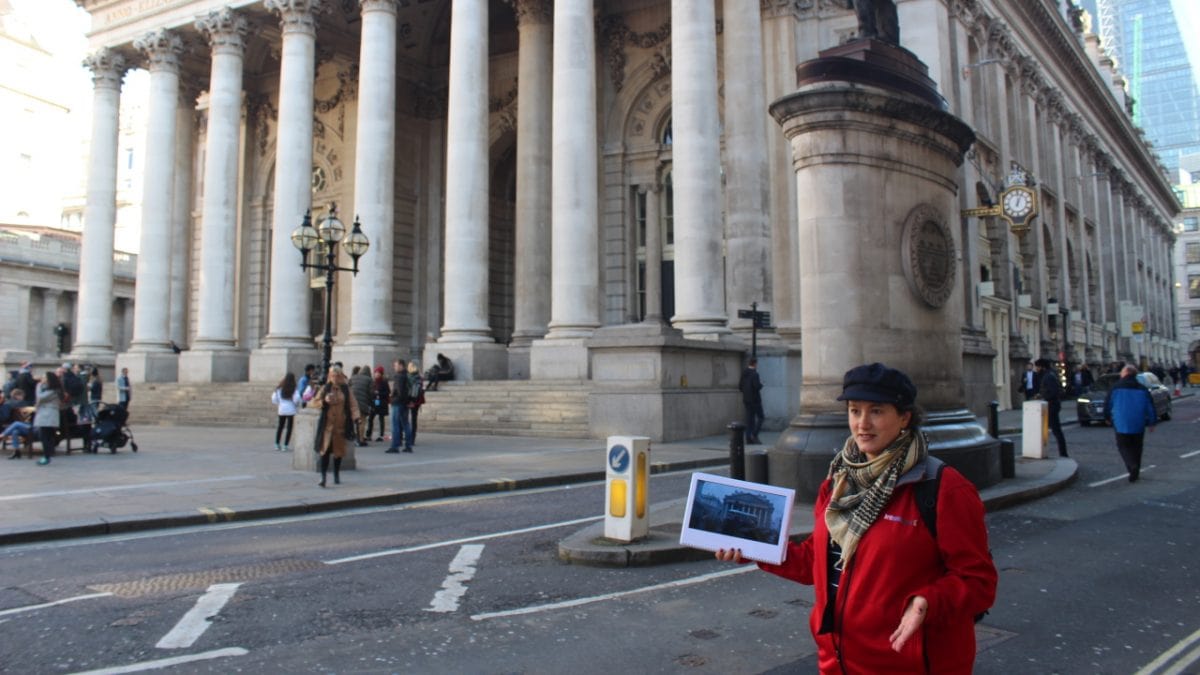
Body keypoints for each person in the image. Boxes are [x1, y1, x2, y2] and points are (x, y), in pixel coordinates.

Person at [715, 363, 996, 673]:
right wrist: (756, 549)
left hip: (910, 663)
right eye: (854, 410)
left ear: (904, 417)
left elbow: (979, 581)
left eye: (876, 411)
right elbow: (815, 563)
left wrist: (928, 602)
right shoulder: (838, 481)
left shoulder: (943, 488)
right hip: (839, 661)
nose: (862, 424)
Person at [1103, 365, 1156, 482]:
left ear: (1126, 373)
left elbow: (1108, 404)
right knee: (1137, 447)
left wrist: (1107, 417)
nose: (1121, 373)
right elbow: (1150, 406)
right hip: (1138, 422)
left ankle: (1132, 466)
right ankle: (1135, 468)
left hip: (1121, 422)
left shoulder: (1115, 387)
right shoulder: (1142, 388)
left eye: (1122, 371)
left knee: (1123, 446)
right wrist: (1152, 421)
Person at [311, 365, 361, 487]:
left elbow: (353, 404)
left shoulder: (346, 389)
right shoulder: (325, 388)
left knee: (338, 452)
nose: (335, 378)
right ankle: (323, 477)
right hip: (327, 426)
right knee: (325, 451)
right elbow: (314, 402)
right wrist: (324, 401)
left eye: (337, 376)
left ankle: (336, 474)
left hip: (340, 425)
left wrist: (356, 417)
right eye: (332, 375)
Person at [1035, 358, 1067, 458]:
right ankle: (1060, 452)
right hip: (1052, 405)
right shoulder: (1050, 374)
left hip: (1052, 406)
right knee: (1054, 430)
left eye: (1038, 367)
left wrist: (1043, 397)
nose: (1036, 369)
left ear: (1042, 367)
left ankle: (1063, 453)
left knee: (1056, 430)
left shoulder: (1048, 376)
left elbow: (1053, 392)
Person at [33, 371, 65, 466]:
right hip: (46, 414)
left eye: (44, 377)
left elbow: (40, 397)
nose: (42, 379)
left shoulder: (53, 390)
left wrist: (38, 386)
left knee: (45, 436)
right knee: (46, 436)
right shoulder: (50, 389)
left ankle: (46, 456)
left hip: (47, 415)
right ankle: (48, 454)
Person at [272, 372, 302, 452]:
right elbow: (297, 399)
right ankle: (285, 445)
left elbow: (275, 399)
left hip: (281, 409)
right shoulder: (293, 389)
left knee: (280, 427)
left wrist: (280, 403)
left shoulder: (279, 388)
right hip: (291, 410)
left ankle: (277, 444)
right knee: (289, 428)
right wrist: (295, 404)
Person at [387, 359, 411, 454]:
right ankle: (408, 445)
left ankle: (395, 446)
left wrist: (392, 395)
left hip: (397, 403)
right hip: (405, 403)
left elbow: (400, 391)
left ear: (401, 365)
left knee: (395, 425)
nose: (394, 367)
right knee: (406, 424)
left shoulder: (398, 376)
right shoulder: (407, 375)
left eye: (396, 365)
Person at [739, 357, 764, 444]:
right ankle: (754, 434)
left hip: (746, 399)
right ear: (755, 364)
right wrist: (761, 385)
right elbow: (757, 386)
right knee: (761, 417)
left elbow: (740, 387)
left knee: (749, 419)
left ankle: (748, 438)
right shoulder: (755, 374)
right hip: (755, 400)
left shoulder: (744, 372)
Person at [2, 389, 33, 459]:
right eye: (22, 396)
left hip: (14, 424)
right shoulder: (24, 403)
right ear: (17, 396)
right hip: (25, 424)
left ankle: (2, 435)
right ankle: (17, 451)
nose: (23, 398)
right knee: (15, 431)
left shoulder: (7, 403)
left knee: (16, 425)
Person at [349, 364, 373, 447]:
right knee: (361, 422)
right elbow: (371, 393)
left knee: (352, 421)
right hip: (363, 403)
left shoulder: (353, 377)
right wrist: (371, 403)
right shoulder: (369, 380)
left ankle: (352, 437)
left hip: (352, 403)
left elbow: (348, 388)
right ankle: (361, 439)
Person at [366, 366, 390, 441]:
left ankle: (381, 435)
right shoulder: (372, 381)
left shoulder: (384, 382)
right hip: (374, 402)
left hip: (381, 402)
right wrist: (373, 394)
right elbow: (369, 391)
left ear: (381, 374)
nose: (376, 374)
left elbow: (388, 392)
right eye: (375, 373)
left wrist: (379, 393)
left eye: (378, 373)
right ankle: (368, 435)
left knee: (381, 419)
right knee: (370, 418)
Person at [405, 360, 425, 449]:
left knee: (405, 418)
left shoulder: (407, 376)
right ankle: (412, 438)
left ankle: (407, 436)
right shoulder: (419, 377)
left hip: (408, 399)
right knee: (414, 419)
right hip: (417, 401)